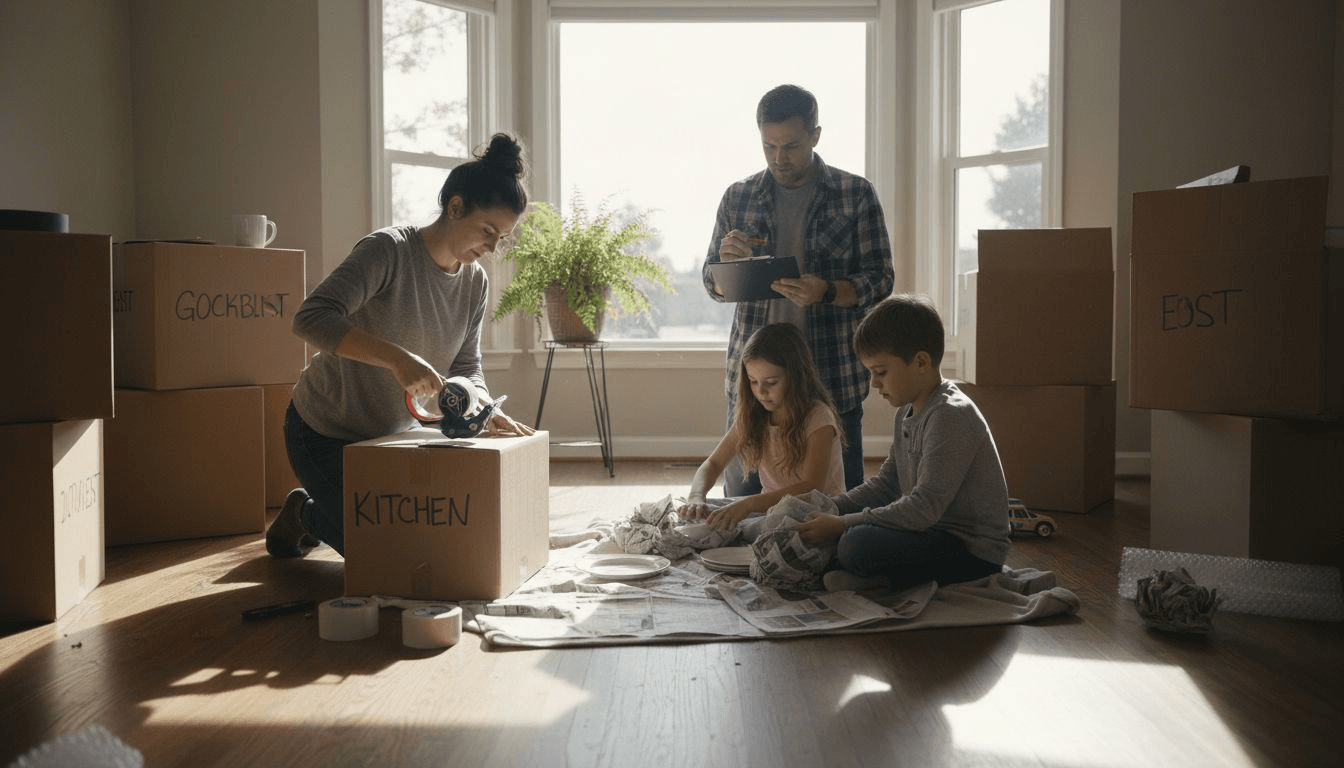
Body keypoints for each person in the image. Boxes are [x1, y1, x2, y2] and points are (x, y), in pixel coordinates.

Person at [265, 132, 535, 559]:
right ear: (456, 206)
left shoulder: (474, 283)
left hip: (394, 438)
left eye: (502, 238)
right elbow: (310, 318)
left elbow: (467, 363)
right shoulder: (388, 250)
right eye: (487, 231)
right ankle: (303, 512)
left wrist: (485, 407)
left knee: (422, 541)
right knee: (379, 550)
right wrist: (396, 359)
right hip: (323, 432)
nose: (492, 247)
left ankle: (323, 514)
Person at [703, 83, 894, 495]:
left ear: (815, 135)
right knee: (741, 508)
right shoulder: (738, 197)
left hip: (831, 376)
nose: (778, 158)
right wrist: (725, 266)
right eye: (768, 145)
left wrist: (827, 291)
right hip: (757, 380)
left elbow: (881, 280)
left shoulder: (855, 194)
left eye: (790, 145)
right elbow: (711, 283)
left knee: (836, 511)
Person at [794, 294, 1010, 592]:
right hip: (929, 533)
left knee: (855, 544)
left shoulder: (950, 415)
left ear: (921, 362)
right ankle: (876, 578)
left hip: (971, 552)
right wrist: (830, 506)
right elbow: (885, 485)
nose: (875, 384)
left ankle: (883, 582)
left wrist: (843, 523)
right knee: (841, 538)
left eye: (881, 372)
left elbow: (923, 508)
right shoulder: (906, 413)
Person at [679, 323, 845, 535]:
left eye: (771, 382)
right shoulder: (755, 415)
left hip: (817, 517)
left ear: (796, 376)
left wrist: (747, 505)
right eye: (753, 382)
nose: (761, 391)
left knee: (726, 528)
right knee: (702, 517)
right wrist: (696, 496)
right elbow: (713, 463)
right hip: (770, 511)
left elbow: (811, 487)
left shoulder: (818, 418)